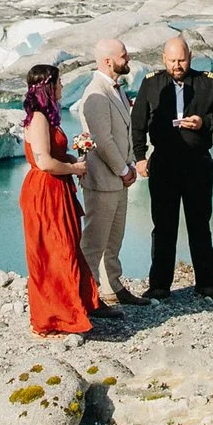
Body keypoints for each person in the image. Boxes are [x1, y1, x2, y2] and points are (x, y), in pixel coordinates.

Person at [131, 35, 213, 301]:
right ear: (164, 59)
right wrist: (140, 157)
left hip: (197, 163)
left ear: (190, 57)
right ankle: (159, 285)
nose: (177, 65)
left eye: (182, 59)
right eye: (173, 60)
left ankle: (207, 284)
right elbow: (138, 122)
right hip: (163, 163)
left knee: (199, 224)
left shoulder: (208, 83)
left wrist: (205, 121)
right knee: (163, 225)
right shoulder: (152, 83)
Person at [17, 62, 98, 336]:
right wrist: (74, 168)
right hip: (45, 191)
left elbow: (53, 157)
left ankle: (71, 308)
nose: (63, 86)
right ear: (48, 86)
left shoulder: (44, 117)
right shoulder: (39, 117)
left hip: (55, 188)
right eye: (59, 82)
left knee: (64, 247)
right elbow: (44, 162)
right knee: (54, 251)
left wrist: (71, 159)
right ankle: (57, 315)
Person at [77, 38, 136, 311]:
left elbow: (125, 131)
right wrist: (123, 170)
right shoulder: (95, 93)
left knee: (114, 239)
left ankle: (114, 287)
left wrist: (131, 164)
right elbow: (103, 139)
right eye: (123, 56)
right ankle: (89, 298)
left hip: (119, 179)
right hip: (103, 180)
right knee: (94, 242)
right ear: (108, 61)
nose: (128, 59)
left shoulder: (117, 89)